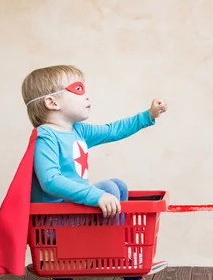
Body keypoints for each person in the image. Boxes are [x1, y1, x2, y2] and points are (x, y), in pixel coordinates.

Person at [22, 65, 167, 218]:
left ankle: (115, 238)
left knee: (119, 186)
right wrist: (96, 195)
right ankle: (112, 239)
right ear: (52, 103)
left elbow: (112, 131)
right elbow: (50, 181)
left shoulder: (79, 131)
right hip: (53, 222)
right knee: (108, 188)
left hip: (73, 213)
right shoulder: (46, 137)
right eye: (78, 89)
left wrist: (148, 115)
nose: (86, 96)